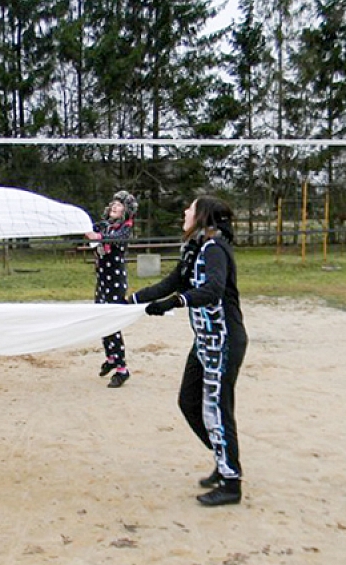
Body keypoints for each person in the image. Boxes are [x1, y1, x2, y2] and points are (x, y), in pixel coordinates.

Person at [129, 196, 247, 507]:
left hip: (223, 340)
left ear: (202, 216)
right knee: (188, 401)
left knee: (217, 409)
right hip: (204, 342)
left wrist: (176, 302)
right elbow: (173, 281)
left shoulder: (215, 249)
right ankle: (225, 461)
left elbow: (212, 290)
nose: (185, 212)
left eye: (190, 209)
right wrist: (132, 301)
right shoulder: (195, 248)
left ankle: (231, 483)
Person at [84, 190, 138, 388]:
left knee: (113, 323)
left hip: (115, 281)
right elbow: (92, 229)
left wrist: (96, 236)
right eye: (113, 203)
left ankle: (122, 369)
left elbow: (109, 239)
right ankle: (112, 358)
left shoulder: (125, 229)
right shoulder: (105, 224)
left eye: (120, 205)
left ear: (127, 210)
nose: (115, 206)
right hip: (102, 281)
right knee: (102, 321)